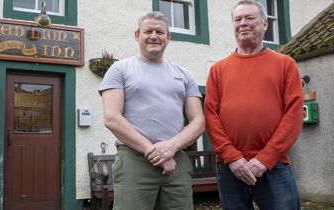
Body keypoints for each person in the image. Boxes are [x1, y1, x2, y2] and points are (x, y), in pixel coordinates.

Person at [98, 11, 205, 210]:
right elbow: (112, 118)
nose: (154, 36)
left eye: (160, 31)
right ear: (137, 36)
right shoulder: (119, 69)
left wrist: (171, 147)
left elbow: (198, 121)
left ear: (168, 37)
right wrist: (154, 151)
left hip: (176, 161)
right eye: (148, 31)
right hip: (134, 160)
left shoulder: (184, 74)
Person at [205, 1, 303, 209]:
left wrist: (265, 158)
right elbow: (211, 116)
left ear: (265, 24)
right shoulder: (218, 69)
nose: (243, 24)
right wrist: (232, 157)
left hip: (274, 164)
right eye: (238, 19)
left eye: (250, 18)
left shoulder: (285, 64)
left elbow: (293, 115)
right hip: (230, 166)